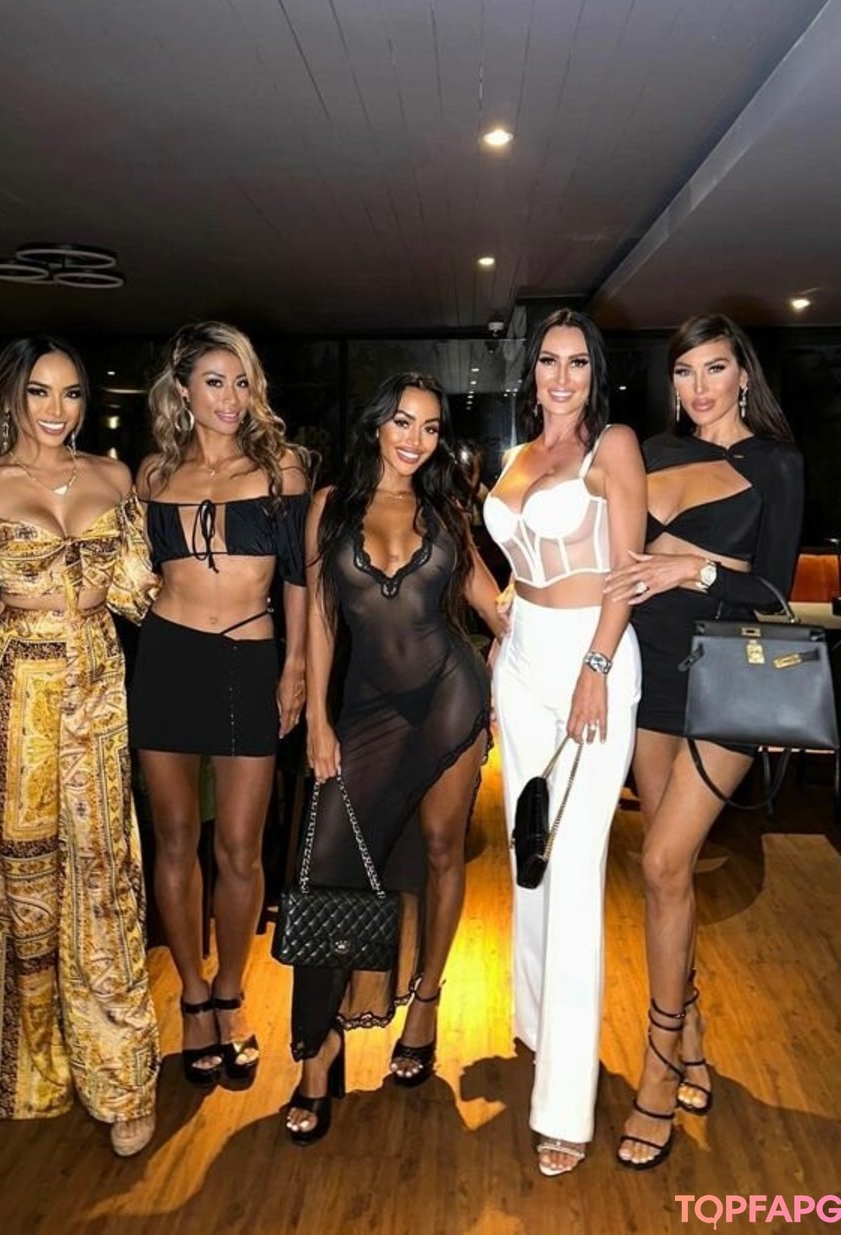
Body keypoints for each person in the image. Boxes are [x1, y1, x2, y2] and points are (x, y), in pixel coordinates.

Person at [0, 335, 159, 1157]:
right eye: (41, 392)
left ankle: (121, 1081)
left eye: (72, 392)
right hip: (13, 692)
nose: (57, 409)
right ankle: (34, 1067)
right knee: (26, 878)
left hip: (99, 687)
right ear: (11, 397)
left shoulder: (113, 477)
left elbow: (140, 592)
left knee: (106, 878)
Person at [285, 372, 506, 1145]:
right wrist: (319, 720)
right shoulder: (331, 506)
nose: (416, 439)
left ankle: (427, 1003)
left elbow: (494, 605)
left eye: (431, 427)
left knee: (444, 849)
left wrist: (583, 619)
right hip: (368, 711)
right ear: (377, 424)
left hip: (449, 696)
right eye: (404, 422)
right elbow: (320, 618)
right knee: (327, 866)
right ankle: (317, 1047)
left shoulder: (444, 510)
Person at [605, 313, 803, 1169]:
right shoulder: (652, 450)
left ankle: (657, 1066)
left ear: (743, 375)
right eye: (684, 371)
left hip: (728, 680)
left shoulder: (776, 463)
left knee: (659, 861)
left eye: (714, 369)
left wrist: (693, 567)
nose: (698, 387)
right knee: (668, 872)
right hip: (650, 676)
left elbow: (775, 589)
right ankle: (688, 1027)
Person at [484, 308, 647, 1176]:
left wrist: (596, 664)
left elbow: (626, 570)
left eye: (577, 362)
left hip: (594, 655)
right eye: (548, 360)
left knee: (576, 871)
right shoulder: (519, 455)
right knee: (531, 857)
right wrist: (501, 645)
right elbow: (519, 568)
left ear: (595, 372)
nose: (561, 376)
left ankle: (566, 1107)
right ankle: (540, 1021)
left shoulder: (611, 447)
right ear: (532, 369)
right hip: (522, 662)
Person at [129, 321, 309, 1090]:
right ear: (182, 390)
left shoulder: (279, 468)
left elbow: (300, 575)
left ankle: (231, 993)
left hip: (248, 659)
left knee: (238, 846)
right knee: (174, 839)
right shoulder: (151, 474)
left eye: (241, 381)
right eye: (214, 381)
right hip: (167, 659)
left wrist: (295, 665)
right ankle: (192, 994)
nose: (231, 397)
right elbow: (124, 571)